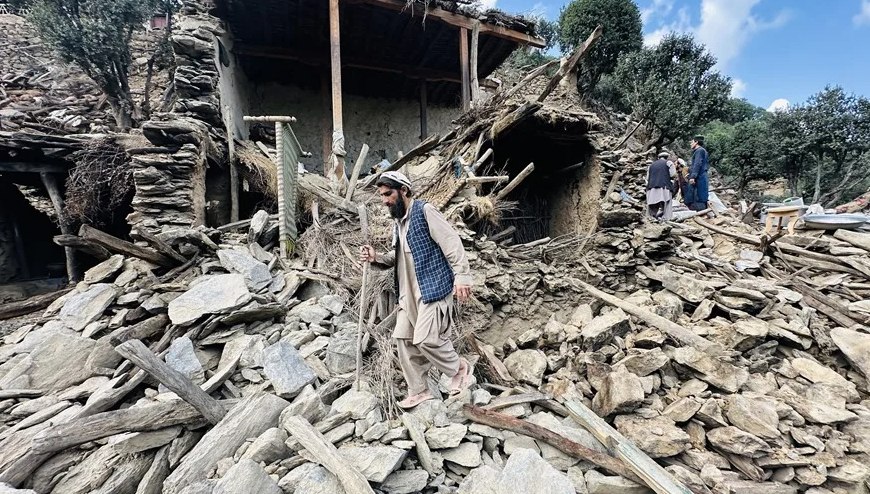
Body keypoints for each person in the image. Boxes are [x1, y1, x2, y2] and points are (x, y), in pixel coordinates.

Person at [360, 171, 474, 409]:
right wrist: (376, 257)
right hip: (407, 293)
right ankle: (419, 391)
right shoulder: (398, 223)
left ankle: (458, 367)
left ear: (404, 191)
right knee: (404, 338)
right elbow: (397, 256)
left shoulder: (425, 212)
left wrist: (462, 276)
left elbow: (452, 243)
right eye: (382, 195)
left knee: (425, 338)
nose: (385, 200)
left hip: (432, 288)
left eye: (388, 194)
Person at [646, 151, 677, 220]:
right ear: (667, 157)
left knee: (652, 204)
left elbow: (647, 178)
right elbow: (673, 174)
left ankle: (651, 217)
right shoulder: (669, 163)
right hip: (664, 186)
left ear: (658, 157)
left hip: (651, 187)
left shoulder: (651, 165)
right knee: (667, 204)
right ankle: (667, 218)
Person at [689, 135, 709, 211]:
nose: (690, 144)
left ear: (696, 142)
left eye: (692, 142)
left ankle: (700, 211)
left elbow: (697, 164)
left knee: (699, 194)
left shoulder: (699, 151)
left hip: (700, 176)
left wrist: (693, 176)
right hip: (701, 175)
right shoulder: (702, 151)